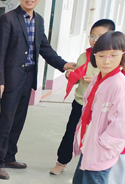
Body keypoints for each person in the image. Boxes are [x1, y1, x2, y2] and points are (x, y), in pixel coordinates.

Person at [55, 32, 125, 184]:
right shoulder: (98, 79)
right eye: (101, 55)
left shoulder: (119, 84)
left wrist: (103, 145)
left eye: (113, 55)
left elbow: (120, 125)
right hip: (89, 146)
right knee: (79, 183)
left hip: (101, 150)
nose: (106, 60)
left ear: (122, 55)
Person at [0, 0, 76, 180]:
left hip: (28, 76)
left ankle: (9, 156)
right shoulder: (8, 19)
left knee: (19, 120)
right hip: (11, 78)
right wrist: (0, 80)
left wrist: (63, 64)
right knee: (6, 120)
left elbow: (44, 47)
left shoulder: (39, 20)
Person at [50, 19, 115, 175]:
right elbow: (79, 77)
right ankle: (61, 162)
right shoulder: (84, 56)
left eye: (100, 36)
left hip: (100, 107)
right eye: (92, 36)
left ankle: (92, 166)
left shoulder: (112, 59)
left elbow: (115, 80)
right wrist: (70, 75)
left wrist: (96, 80)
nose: (95, 40)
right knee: (71, 133)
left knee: (94, 137)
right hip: (80, 103)